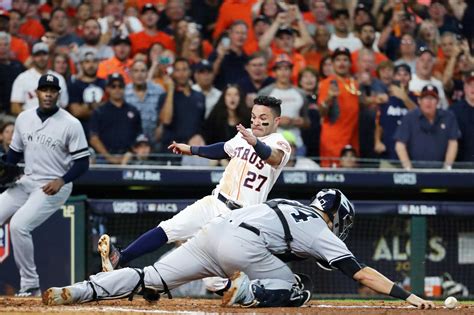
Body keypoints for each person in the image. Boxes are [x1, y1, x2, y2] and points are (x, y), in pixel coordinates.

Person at [43, 189, 434, 310]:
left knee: (150, 278)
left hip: (215, 231)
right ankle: (249, 292)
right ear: (340, 216)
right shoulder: (320, 228)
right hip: (242, 249)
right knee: (299, 289)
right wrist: (409, 296)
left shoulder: (287, 202)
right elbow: (361, 274)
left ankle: (76, 291)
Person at [95, 96, 290, 292]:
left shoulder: (279, 142)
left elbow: (273, 157)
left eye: (262, 117)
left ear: (276, 121)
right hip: (216, 202)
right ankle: (120, 257)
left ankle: (249, 292)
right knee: (169, 228)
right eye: (254, 116)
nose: (256, 121)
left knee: (213, 280)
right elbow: (223, 149)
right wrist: (191, 149)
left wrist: (255, 143)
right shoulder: (244, 135)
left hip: (239, 218)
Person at [0, 74, 90, 297]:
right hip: (27, 180)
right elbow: (14, 154)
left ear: (58, 94)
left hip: (55, 183)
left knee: (19, 226)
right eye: (44, 89)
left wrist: (62, 180)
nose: (48, 93)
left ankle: (30, 285)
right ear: (37, 93)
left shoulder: (71, 123)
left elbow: (82, 163)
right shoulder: (23, 118)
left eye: (52, 90)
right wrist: (6, 171)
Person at [395, 84, 461, 169]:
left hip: (440, 171)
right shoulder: (409, 117)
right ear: (419, 100)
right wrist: (408, 168)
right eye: (425, 98)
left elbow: (453, 142)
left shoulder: (448, 117)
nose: (428, 102)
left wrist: (447, 167)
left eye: (432, 98)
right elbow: (400, 144)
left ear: (438, 101)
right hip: (414, 169)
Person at [89, 73, 143, 164]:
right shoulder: (99, 111)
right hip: (104, 159)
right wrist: (108, 157)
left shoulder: (133, 111)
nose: (117, 89)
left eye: (120, 86)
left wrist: (130, 154)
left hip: (129, 158)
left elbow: (139, 136)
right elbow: (93, 138)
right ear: (107, 89)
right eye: (113, 86)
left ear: (124, 88)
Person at [10, 42, 68, 115]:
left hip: (54, 121)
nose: (41, 58)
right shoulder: (22, 77)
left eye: (44, 54)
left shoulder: (59, 78)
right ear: (32, 57)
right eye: (38, 55)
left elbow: (64, 106)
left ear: (49, 56)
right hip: (29, 122)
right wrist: (30, 120)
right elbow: (15, 107)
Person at [450, 70, 474, 163]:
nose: (473, 88)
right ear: (464, 87)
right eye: (470, 85)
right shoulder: (453, 111)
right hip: (460, 164)